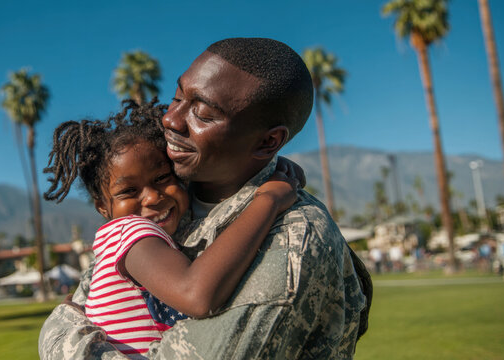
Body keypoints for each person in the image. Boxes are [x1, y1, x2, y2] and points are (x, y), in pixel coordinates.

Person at [39, 37, 372, 359]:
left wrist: (61, 330)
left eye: (203, 113)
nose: (170, 119)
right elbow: (92, 297)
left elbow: (79, 316)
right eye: (177, 97)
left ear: (268, 142)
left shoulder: (293, 237)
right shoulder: (170, 202)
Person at [42, 100, 300, 358]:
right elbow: (195, 294)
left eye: (162, 178)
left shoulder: (147, 235)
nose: (153, 197)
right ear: (103, 207)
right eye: (129, 191)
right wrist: (268, 201)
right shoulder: (130, 231)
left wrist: (267, 170)